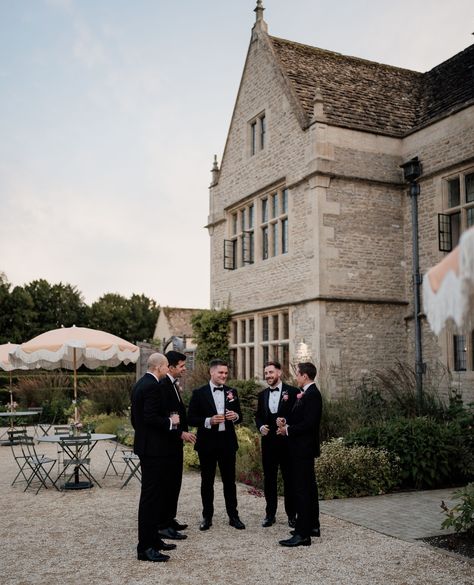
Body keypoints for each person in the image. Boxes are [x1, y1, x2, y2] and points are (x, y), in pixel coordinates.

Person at [187, 359, 245, 531]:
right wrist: (208, 420)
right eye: (221, 373)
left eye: (226, 373)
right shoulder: (199, 393)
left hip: (227, 443)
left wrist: (235, 416)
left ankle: (233, 516)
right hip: (207, 444)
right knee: (207, 482)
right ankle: (207, 517)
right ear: (211, 373)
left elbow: (240, 416)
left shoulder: (232, 392)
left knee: (230, 482)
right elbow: (191, 418)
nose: (224, 376)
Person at [131, 352, 178, 562]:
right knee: (150, 499)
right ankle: (145, 548)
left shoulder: (141, 383)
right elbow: (149, 417)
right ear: (159, 367)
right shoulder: (151, 386)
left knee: (155, 496)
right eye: (167, 366)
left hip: (148, 447)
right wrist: (171, 422)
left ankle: (154, 540)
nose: (168, 369)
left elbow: (136, 420)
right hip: (153, 451)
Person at [276, 361, 322, 547]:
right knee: (309, 488)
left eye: (297, 374)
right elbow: (300, 418)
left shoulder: (312, 395)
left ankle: (303, 535)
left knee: (302, 490)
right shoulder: (307, 394)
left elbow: (309, 424)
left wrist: (287, 430)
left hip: (303, 449)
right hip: (302, 448)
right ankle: (312, 525)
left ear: (304, 376)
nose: (296, 377)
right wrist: (285, 420)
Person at [156, 350, 196, 541]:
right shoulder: (163, 385)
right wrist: (180, 433)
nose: (184, 369)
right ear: (170, 367)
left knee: (175, 483)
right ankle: (163, 525)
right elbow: (165, 416)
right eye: (181, 365)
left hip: (175, 444)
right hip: (168, 444)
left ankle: (169, 519)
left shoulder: (172, 384)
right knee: (168, 484)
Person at [255, 361, 298, 528]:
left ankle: (292, 515)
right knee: (269, 480)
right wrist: (260, 426)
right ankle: (270, 514)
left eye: (271, 372)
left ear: (279, 373)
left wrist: (286, 421)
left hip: (287, 444)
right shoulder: (262, 394)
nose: (268, 376)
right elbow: (258, 415)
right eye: (266, 373)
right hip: (268, 444)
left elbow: (298, 415)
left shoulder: (293, 392)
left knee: (290, 480)